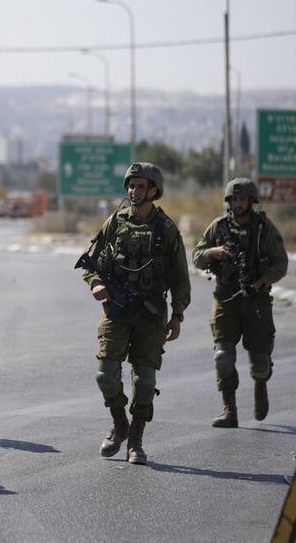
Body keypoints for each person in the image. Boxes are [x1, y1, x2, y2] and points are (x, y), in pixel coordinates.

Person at [80, 162, 191, 465]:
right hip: (116, 312)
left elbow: (181, 277)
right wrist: (97, 284)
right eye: (131, 185)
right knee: (105, 375)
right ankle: (120, 425)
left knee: (144, 380)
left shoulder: (166, 229)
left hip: (150, 314)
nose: (133, 190)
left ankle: (136, 442)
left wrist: (177, 315)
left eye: (141, 186)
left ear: (153, 190)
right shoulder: (115, 222)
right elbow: (90, 262)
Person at [192, 178, 288, 428]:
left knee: (260, 363)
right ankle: (229, 409)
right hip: (225, 299)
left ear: (251, 201)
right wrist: (213, 252)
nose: (238, 204)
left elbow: (281, 263)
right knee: (222, 356)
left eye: (242, 199)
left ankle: (260, 385)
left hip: (256, 301)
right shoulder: (219, 227)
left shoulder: (263, 229)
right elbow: (196, 257)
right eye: (234, 199)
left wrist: (262, 282)